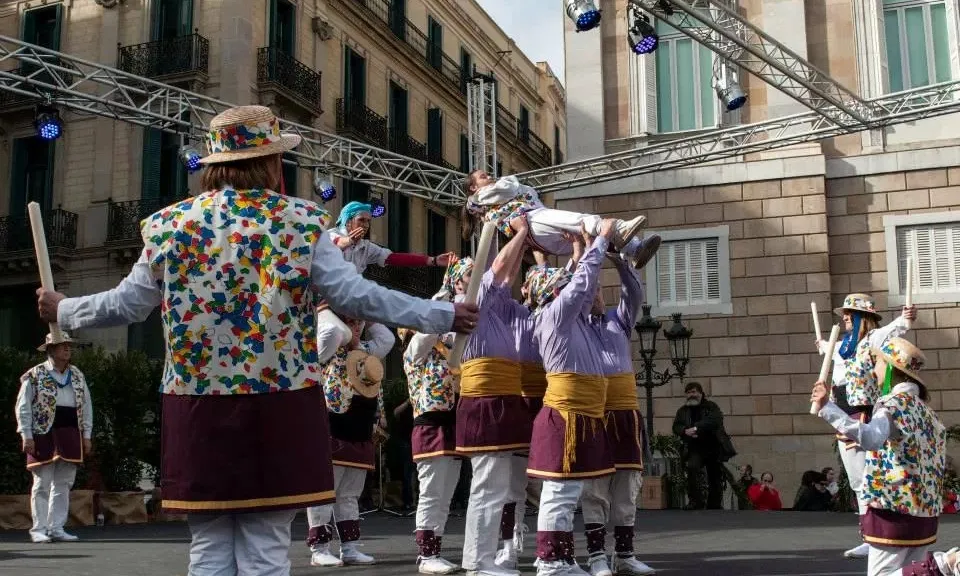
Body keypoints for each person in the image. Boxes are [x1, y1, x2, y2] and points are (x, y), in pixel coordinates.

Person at [35, 105, 479, 576]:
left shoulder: (169, 225)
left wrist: (64, 309)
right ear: (269, 162)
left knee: (207, 546)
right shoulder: (301, 221)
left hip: (196, 399)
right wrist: (443, 312)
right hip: (280, 399)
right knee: (266, 545)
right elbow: (358, 296)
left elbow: (126, 305)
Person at [526, 220, 619, 576]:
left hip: (582, 413)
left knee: (569, 490)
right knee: (560, 492)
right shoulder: (553, 315)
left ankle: (560, 558)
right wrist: (602, 241)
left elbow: (580, 283)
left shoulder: (566, 316)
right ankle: (550, 562)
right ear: (553, 293)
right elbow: (579, 286)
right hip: (567, 414)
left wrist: (582, 247)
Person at [812, 337, 946, 576]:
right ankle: (936, 567)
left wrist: (828, 409)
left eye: (879, 363)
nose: (874, 369)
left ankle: (942, 566)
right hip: (925, 510)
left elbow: (872, 437)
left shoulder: (893, 404)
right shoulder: (929, 413)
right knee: (909, 569)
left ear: (893, 367)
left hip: (893, 506)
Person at [457, 220, 533, 576]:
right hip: (486, 400)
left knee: (496, 485)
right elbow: (500, 266)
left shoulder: (494, 305)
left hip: (498, 399)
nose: (486, 273)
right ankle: (478, 562)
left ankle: (483, 559)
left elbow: (508, 270)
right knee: (488, 485)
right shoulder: (473, 299)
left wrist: (520, 238)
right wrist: (520, 231)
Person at [578, 243, 656, 576]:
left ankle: (625, 555)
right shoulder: (574, 327)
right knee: (594, 488)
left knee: (628, 486)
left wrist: (621, 262)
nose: (594, 294)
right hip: (594, 413)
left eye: (597, 289)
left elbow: (634, 293)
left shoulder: (618, 321)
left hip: (624, 413)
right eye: (589, 290)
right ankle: (597, 557)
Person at [820, 294, 917, 559]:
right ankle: (869, 535)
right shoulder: (844, 346)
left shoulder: (872, 339)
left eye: (850, 312)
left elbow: (895, 328)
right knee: (856, 479)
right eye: (845, 312)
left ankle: (875, 536)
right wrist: (823, 345)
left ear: (864, 317)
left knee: (865, 478)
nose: (845, 316)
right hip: (841, 411)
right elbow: (832, 354)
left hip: (860, 412)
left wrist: (905, 318)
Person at [402, 257, 474, 575]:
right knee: (431, 493)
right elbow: (428, 333)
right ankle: (425, 554)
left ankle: (435, 551)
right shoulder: (415, 354)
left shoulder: (452, 350)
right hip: (430, 424)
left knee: (446, 494)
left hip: (454, 422)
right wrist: (443, 294)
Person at [318, 200, 456, 353]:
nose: (365, 225)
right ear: (348, 221)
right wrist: (349, 240)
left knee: (387, 339)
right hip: (326, 303)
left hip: (352, 303)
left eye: (368, 221)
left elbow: (393, 258)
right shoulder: (330, 235)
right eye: (361, 220)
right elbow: (337, 243)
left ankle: (358, 356)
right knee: (336, 333)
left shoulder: (366, 247)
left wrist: (433, 260)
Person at [306, 316, 386, 567]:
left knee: (351, 492)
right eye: (349, 321)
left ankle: (349, 547)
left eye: (357, 322)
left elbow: (387, 338)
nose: (355, 326)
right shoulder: (328, 346)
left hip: (360, 422)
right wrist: (337, 317)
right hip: (334, 421)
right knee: (326, 490)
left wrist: (368, 319)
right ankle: (319, 548)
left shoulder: (366, 351)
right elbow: (331, 330)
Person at [461, 171, 660, 269]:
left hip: (539, 232)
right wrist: (511, 179)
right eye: (482, 176)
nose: (489, 175)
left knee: (587, 234)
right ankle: (620, 229)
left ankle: (632, 250)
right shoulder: (482, 196)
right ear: (473, 187)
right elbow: (511, 187)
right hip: (532, 221)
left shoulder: (484, 202)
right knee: (581, 221)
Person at [15, 332, 93, 543]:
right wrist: (26, 434)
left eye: (69, 345)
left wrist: (86, 435)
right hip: (43, 431)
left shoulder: (77, 374)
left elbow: (86, 406)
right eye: (62, 346)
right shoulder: (35, 374)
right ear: (50, 350)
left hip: (69, 430)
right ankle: (38, 529)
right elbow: (23, 406)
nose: (67, 349)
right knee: (42, 482)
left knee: (64, 481)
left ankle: (56, 527)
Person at [671, 382, 736, 510]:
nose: (691, 395)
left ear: (701, 393)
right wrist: (684, 430)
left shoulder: (711, 407)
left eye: (694, 392)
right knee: (692, 469)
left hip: (713, 446)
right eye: (689, 392)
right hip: (694, 448)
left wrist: (695, 429)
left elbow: (714, 421)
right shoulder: (682, 411)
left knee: (715, 475)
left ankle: (714, 504)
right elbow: (676, 426)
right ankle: (695, 501)